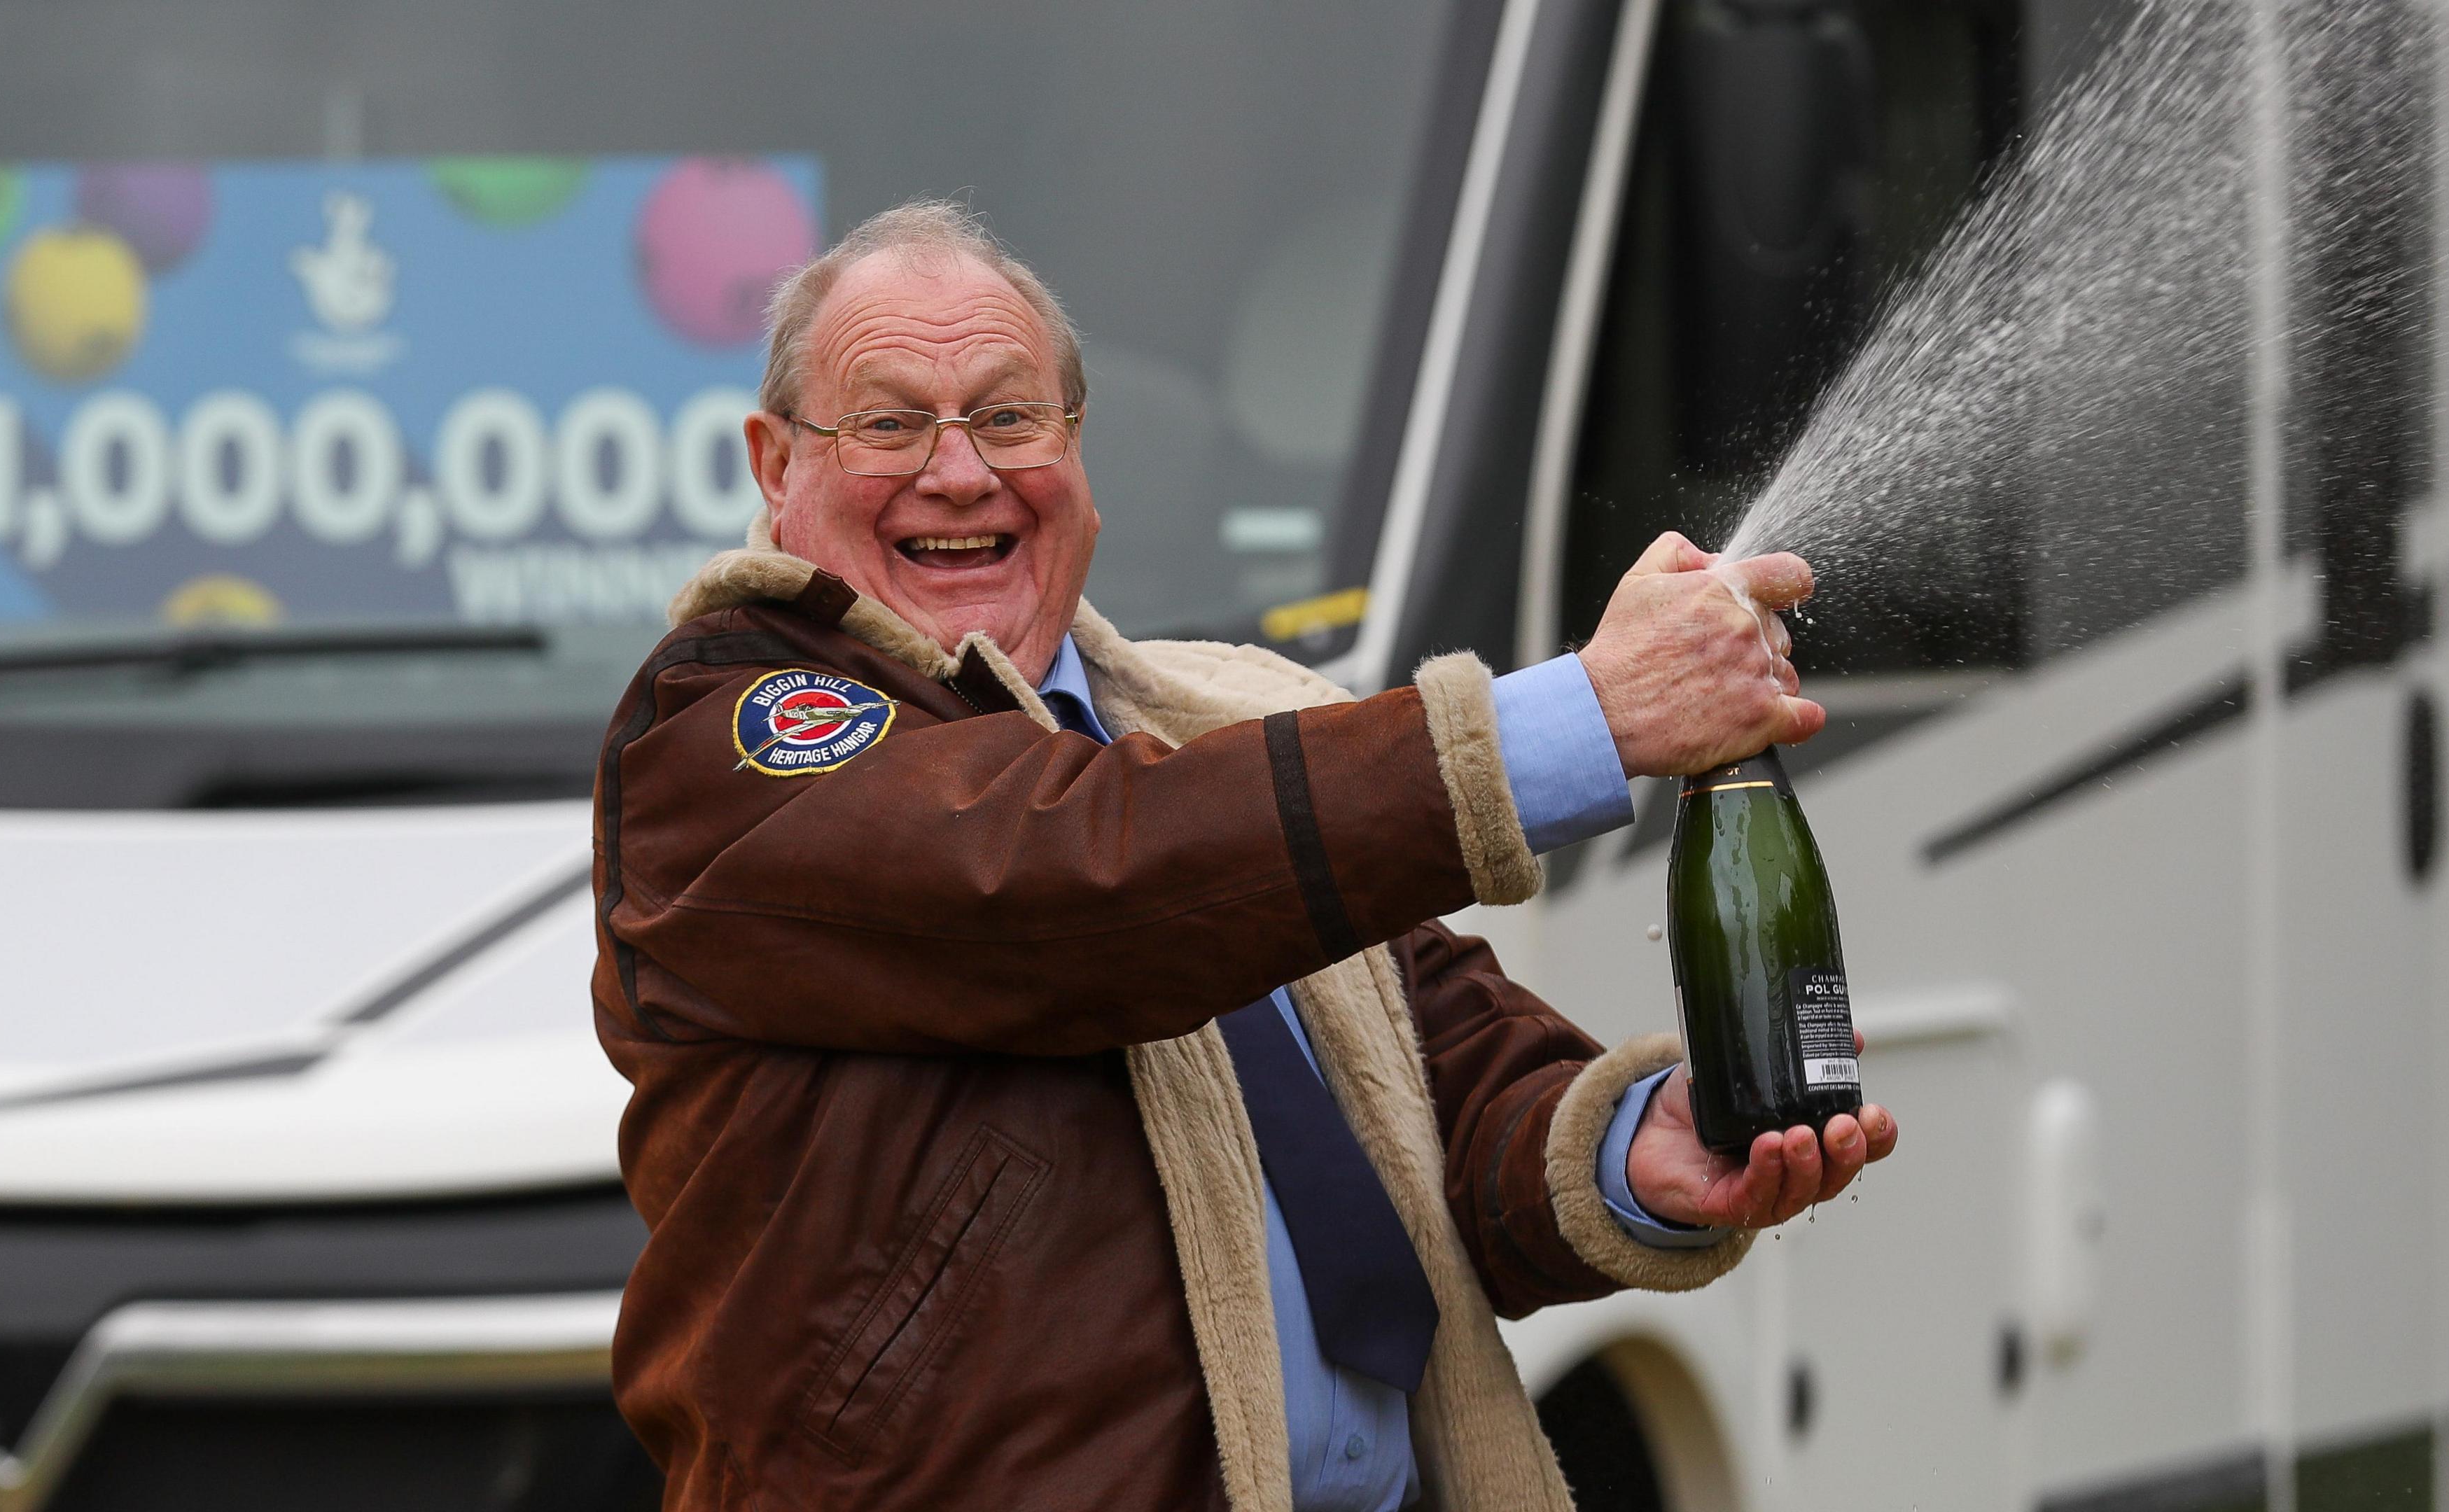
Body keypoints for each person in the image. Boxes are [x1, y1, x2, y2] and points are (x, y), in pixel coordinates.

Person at [590, 201, 1897, 1512]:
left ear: (1077, 454)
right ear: (774, 468)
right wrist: (1582, 719)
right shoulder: (727, 736)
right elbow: (1078, 883)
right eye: (888, 422)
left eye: (1007, 417)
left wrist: (1634, 1153)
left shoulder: (1219, 728)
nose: (959, 471)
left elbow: (1444, 1084)